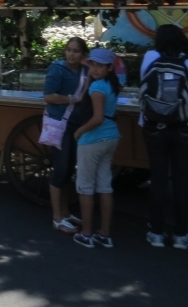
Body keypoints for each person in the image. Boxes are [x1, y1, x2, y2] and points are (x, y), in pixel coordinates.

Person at [140, 24, 188, 249]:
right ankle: (181, 234)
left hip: (153, 128)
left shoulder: (150, 58)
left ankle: (156, 232)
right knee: (181, 179)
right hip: (184, 128)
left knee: (158, 177)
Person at [71, 47, 123, 248]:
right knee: (104, 186)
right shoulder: (111, 85)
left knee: (85, 187)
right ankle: (104, 233)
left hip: (93, 139)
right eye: (92, 65)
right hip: (111, 137)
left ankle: (86, 233)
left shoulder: (97, 88)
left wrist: (79, 131)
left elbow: (97, 118)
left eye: (99, 66)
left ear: (109, 67)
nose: (94, 69)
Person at [43, 37, 89, 233]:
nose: (71, 54)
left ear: (83, 54)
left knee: (69, 169)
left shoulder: (86, 72)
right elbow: (48, 95)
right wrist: (70, 99)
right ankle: (57, 217)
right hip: (60, 126)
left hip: (76, 125)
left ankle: (66, 211)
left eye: (76, 51)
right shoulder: (57, 69)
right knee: (60, 169)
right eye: (69, 50)